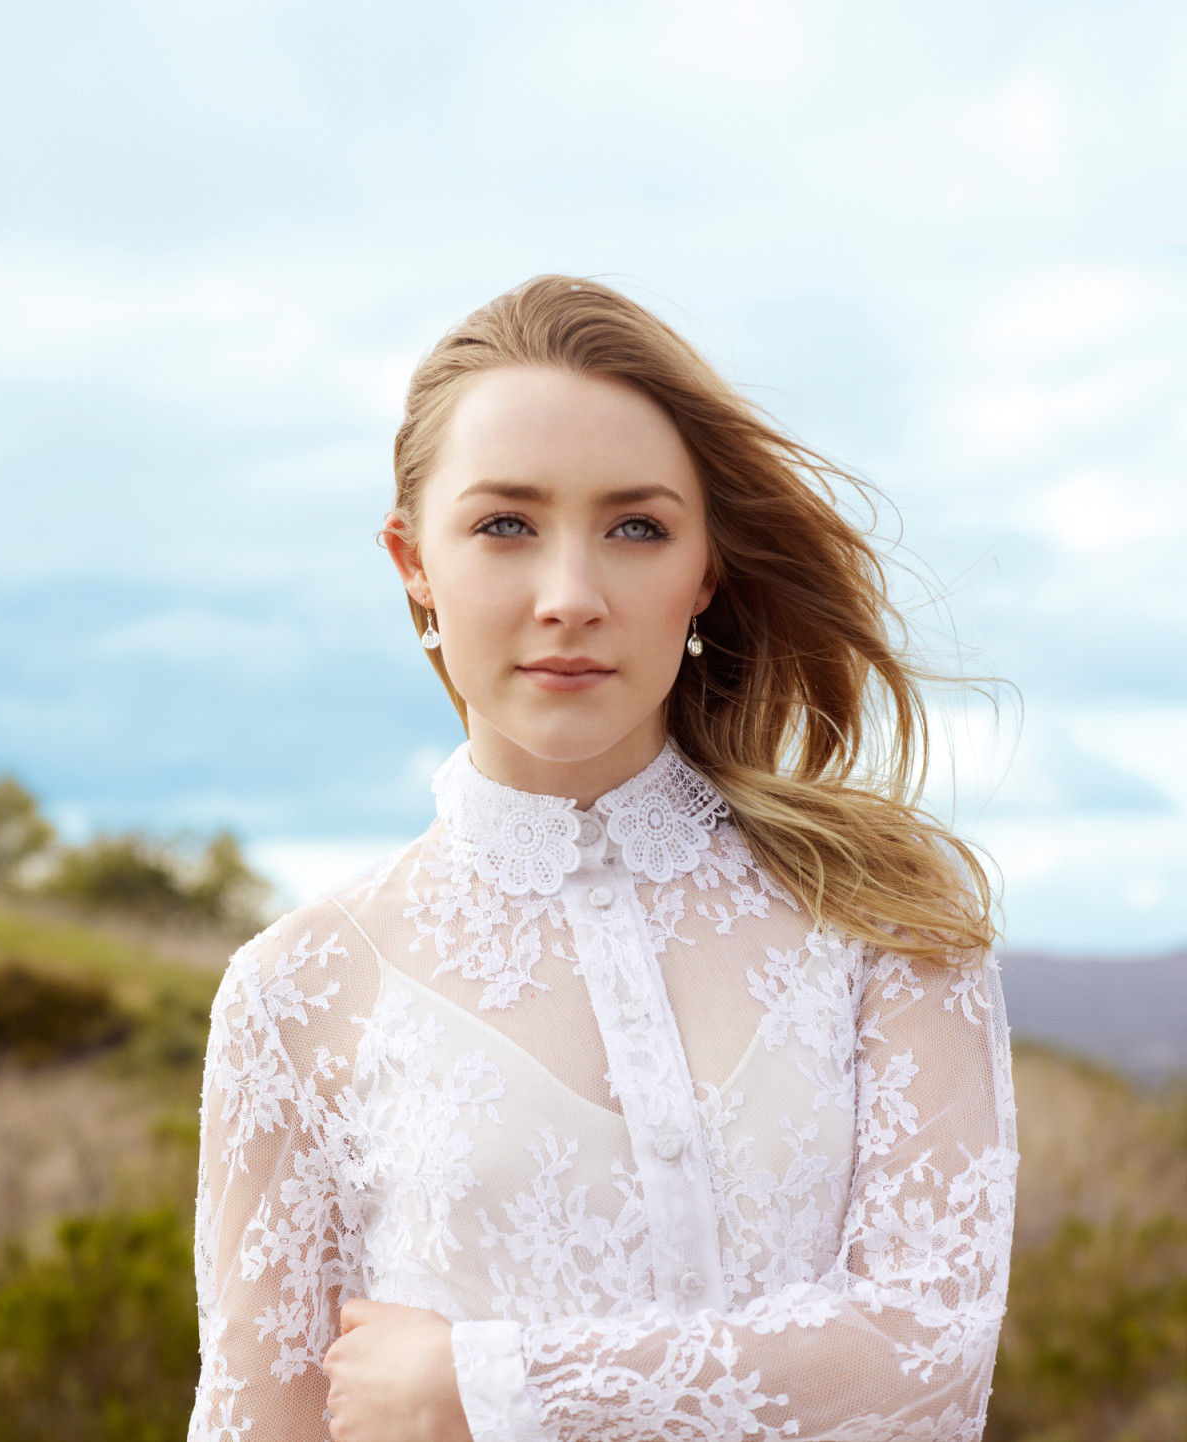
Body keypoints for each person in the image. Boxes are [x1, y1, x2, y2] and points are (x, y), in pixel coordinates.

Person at [188, 276, 1017, 1442]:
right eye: (503, 525)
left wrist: (485, 1386)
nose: (570, 596)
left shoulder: (882, 912)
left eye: (636, 527)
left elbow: (928, 1355)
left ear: (705, 572)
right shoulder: (296, 991)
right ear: (411, 562)